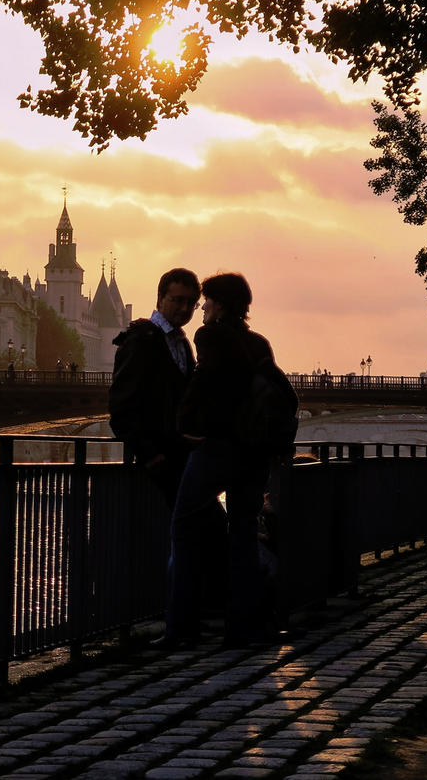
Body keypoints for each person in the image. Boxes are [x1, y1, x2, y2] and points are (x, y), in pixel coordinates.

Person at [170, 272, 278, 649]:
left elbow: (206, 381)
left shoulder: (211, 335)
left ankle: (181, 627)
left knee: (183, 527)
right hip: (255, 452)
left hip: (218, 447)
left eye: (205, 303)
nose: (200, 309)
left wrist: (184, 421)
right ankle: (243, 626)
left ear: (219, 305)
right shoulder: (259, 343)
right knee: (245, 536)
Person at [108, 267, 201, 507]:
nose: (184, 308)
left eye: (191, 303)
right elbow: (121, 407)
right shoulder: (140, 340)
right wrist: (150, 455)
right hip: (161, 465)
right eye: (178, 300)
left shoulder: (180, 342)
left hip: (176, 461)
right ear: (160, 299)